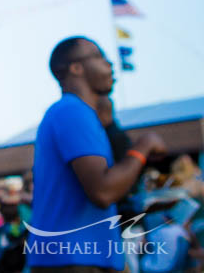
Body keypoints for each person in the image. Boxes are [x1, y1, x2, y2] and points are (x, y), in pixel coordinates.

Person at [26, 36, 167, 273]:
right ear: (76, 68)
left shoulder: (79, 114)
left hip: (80, 257)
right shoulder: (72, 110)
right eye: (100, 56)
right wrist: (143, 146)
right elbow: (103, 191)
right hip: (73, 259)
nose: (109, 64)